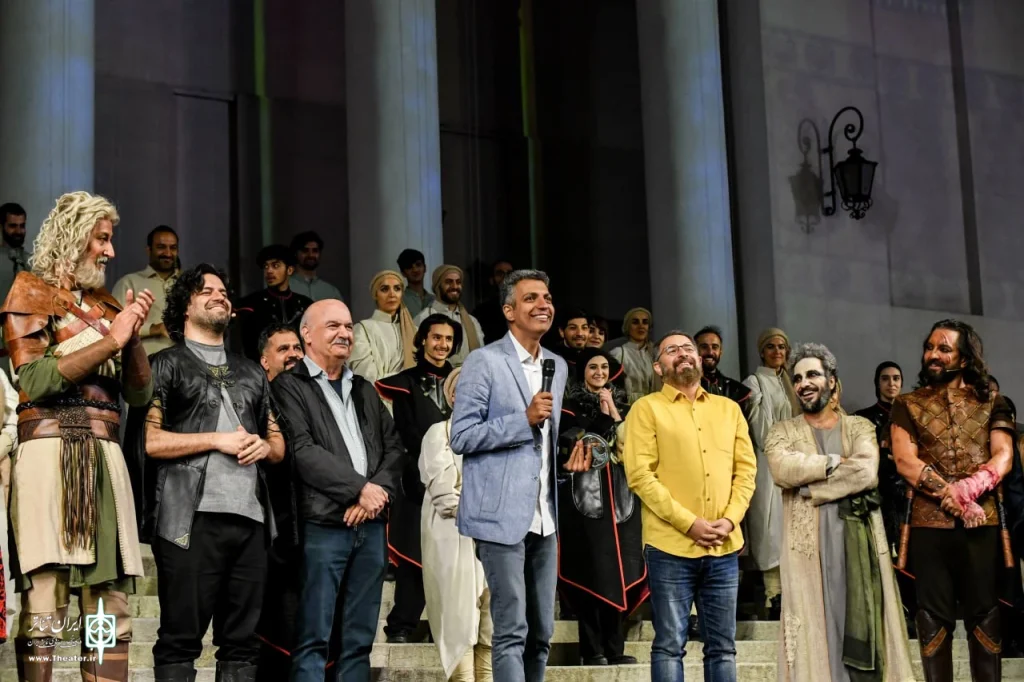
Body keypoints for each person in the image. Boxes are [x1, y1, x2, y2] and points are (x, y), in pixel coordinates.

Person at [1, 191, 154, 681]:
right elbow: (34, 380)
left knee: (108, 601)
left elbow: (139, 394)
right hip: (49, 452)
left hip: (105, 456)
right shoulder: (29, 292)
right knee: (45, 600)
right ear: (73, 237)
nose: (110, 251)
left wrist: (132, 337)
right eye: (101, 239)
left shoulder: (108, 304)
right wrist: (111, 339)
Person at [145, 263, 285, 682]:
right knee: (179, 638)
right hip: (188, 519)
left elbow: (278, 444)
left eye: (223, 291)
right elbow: (151, 442)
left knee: (243, 642)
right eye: (206, 290)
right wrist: (216, 440)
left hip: (251, 519)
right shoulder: (164, 363)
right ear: (184, 307)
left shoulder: (252, 371)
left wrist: (265, 446)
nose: (219, 295)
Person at [451, 269, 592, 682]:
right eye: (531, 298)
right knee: (511, 628)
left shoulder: (557, 365)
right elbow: (462, 436)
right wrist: (522, 419)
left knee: (542, 632)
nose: (543, 305)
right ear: (509, 310)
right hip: (499, 518)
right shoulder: (484, 361)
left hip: (545, 516)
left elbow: (543, 445)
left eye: (547, 298)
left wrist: (566, 461)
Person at [764, 342, 914, 682]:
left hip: (858, 543)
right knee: (815, 630)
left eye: (813, 375)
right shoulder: (782, 431)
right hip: (806, 549)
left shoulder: (859, 427)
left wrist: (810, 488)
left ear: (831, 381)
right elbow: (782, 469)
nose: (804, 383)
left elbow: (866, 472)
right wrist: (834, 461)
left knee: (862, 619)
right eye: (797, 378)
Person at [271, 299, 403, 681]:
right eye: (333, 326)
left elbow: (395, 448)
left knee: (359, 640)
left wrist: (374, 493)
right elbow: (301, 450)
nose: (345, 333)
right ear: (307, 335)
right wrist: (359, 490)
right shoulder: (288, 386)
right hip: (323, 526)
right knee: (313, 637)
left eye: (348, 326)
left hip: (371, 526)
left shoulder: (364, 388)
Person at [622, 331, 756, 682]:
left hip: (723, 546)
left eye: (688, 348)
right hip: (670, 546)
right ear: (658, 367)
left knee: (723, 648)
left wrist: (730, 520)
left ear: (699, 359)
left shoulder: (729, 409)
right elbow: (640, 476)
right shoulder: (646, 409)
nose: (682, 353)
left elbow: (746, 472)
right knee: (669, 645)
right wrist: (689, 523)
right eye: (672, 350)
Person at [890, 320, 1015, 682]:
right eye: (930, 347)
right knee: (932, 619)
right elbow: (905, 461)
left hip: (982, 525)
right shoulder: (907, 404)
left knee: (985, 616)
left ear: (965, 357)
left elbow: (1003, 456)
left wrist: (970, 487)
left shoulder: (993, 402)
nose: (933, 354)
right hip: (929, 527)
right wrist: (952, 494)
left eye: (944, 349)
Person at [375, 314, 461, 643]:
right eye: (436, 337)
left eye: (448, 339)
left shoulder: (464, 380)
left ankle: (446, 629)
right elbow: (407, 433)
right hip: (416, 478)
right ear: (423, 339)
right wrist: (430, 467)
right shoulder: (407, 382)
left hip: (459, 479)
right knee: (415, 552)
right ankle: (401, 626)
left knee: (453, 558)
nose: (442, 344)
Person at [557, 347, 643, 666]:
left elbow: (631, 447)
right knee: (591, 570)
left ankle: (614, 648)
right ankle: (592, 649)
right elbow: (577, 444)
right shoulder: (568, 408)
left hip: (619, 498)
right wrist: (603, 416)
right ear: (583, 372)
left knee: (619, 571)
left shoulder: (624, 408)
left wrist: (613, 411)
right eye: (593, 367)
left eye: (604, 367)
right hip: (583, 498)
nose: (599, 372)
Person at [420, 368, 494, 681]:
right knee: (460, 622)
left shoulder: (496, 435)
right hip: (454, 536)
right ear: (452, 396)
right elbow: (445, 495)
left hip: (493, 539)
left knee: (491, 627)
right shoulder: (439, 433)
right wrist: (490, 508)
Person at [742, 327, 800, 619]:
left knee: (793, 526)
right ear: (762, 352)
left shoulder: (790, 382)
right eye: (771, 347)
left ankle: (791, 595)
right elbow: (760, 430)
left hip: (793, 461)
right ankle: (772, 594)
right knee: (770, 527)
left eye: (781, 347)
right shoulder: (754, 382)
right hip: (767, 462)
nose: (777, 352)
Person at [235, 244, 313, 362]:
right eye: (266, 266)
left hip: (299, 368)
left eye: (275, 265)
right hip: (260, 369)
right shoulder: (250, 304)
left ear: (289, 270)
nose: (269, 271)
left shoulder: (305, 304)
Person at [112, 225, 181, 357]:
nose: (167, 253)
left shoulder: (188, 284)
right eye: (161, 247)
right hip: (144, 364)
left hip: (184, 364)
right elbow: (112, 326)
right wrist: (155, 328)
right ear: (149, 250)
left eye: (173, 248)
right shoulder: (129, 282)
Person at [348, 270, 417, 384]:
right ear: (375, 294)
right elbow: (366, 376)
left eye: (397, 289)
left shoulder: (414, 331)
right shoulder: (362, 329)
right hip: (378, 393)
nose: (392, 294)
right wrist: (407, 382)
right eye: (385, 289)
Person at [414, 265, 484, 367]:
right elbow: (416, 355)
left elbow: (480, 355)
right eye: (448, 282)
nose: (455, 286)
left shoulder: (472, 321)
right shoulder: (423, 318)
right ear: (438, 286)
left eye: (458, 282)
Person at [694, 325, 751, 412]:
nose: (710, 352)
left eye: (715, 347)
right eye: (704, 347)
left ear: (720, 352)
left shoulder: (736, 390)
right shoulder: (682, 386)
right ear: (693, 350)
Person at [609, 307, 658, 404]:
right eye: (635, 322)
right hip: (629, 407)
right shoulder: (618, 354)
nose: (641, 326)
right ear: (627, 327)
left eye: (645, 322)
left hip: (655, 406)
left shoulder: (656, 353)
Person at [289, 231, 343, 302]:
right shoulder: (284, 288)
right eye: (305, 250)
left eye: (315, 251)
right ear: (295, 253)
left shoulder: (331, 292)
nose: (310, 255)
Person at [472, 259, 514, 344]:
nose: (506, 278)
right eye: (500, 274)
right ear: (492, 280)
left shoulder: (527, 307)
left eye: (509, 274)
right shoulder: (481, 312)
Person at [0, 202, 30, 308]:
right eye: (12, 226)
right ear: (1, 227)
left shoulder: (32, 261)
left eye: (22, 226)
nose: (18, 231)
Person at [397, 248, 435, 318]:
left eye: (418, 265)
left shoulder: (435, 300)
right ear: (403, 273)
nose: (415, 270)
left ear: (425, 268)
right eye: (409, 267)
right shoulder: (399, 300)